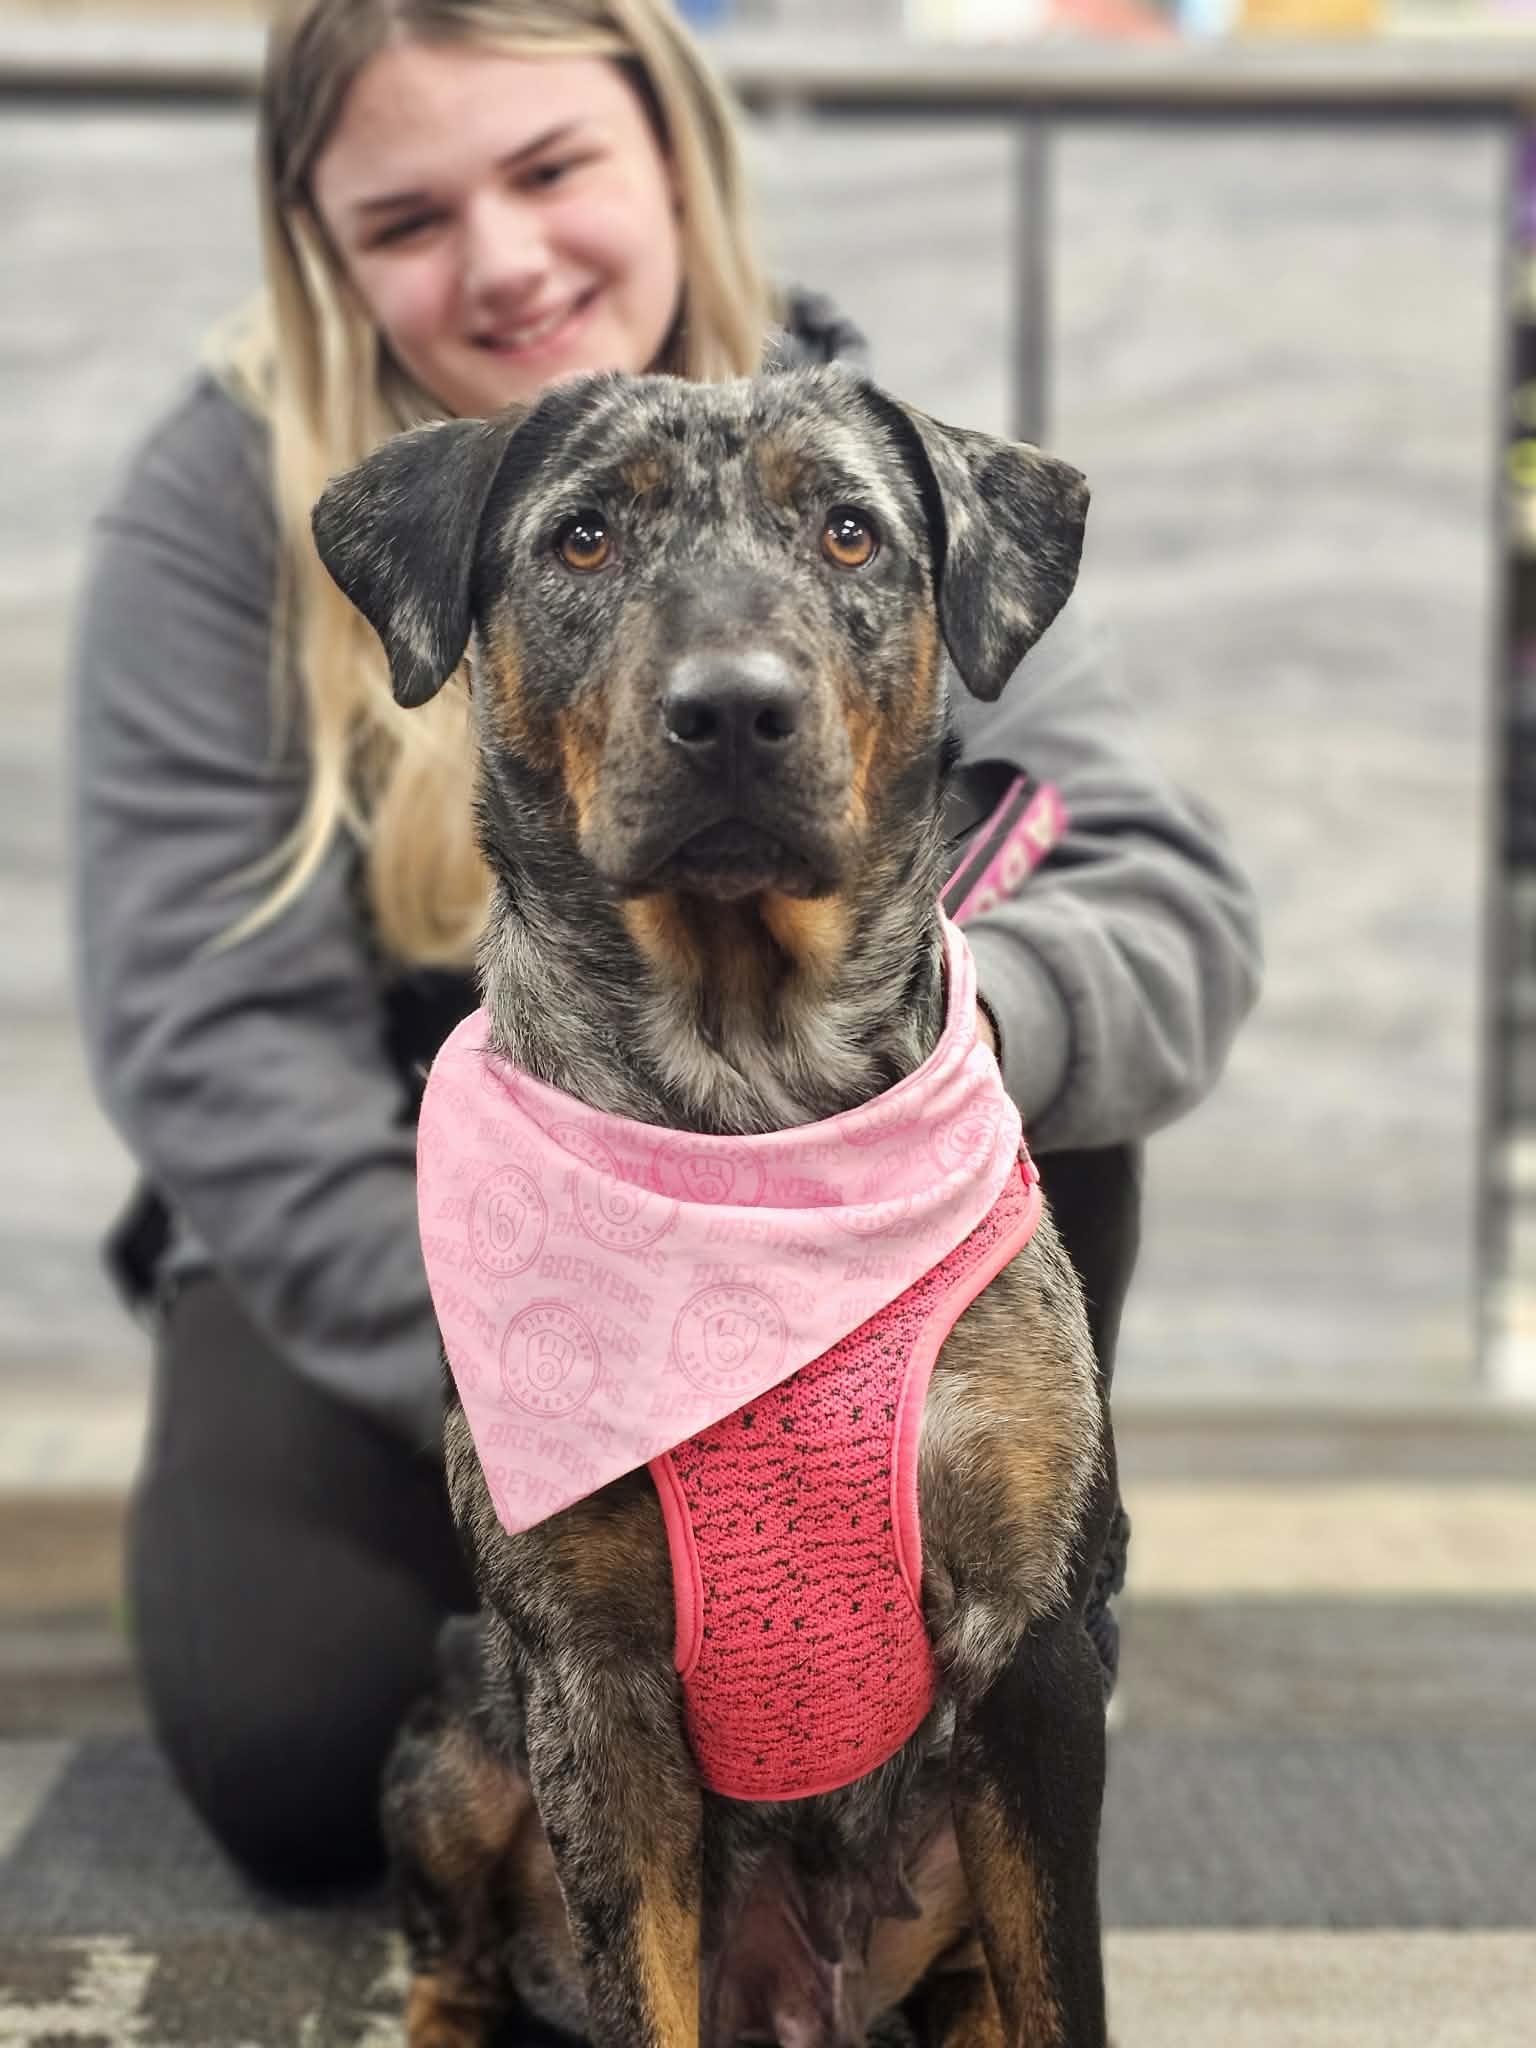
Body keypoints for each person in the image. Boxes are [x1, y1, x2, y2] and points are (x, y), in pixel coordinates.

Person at [71, 0, 1261, 1898]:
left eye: (551, 168)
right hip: (438, 1233)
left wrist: (919, 1072)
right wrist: (562, 1371)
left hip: (850, 1221)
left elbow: (1158, 904)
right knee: (301, 1746)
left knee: (1050, 1111)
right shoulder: (223, 498)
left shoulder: (876, 465)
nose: (508, 258)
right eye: (409, 218)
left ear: (670, 147)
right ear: (321, 247)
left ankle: (996, 1614)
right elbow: (204, 1030)